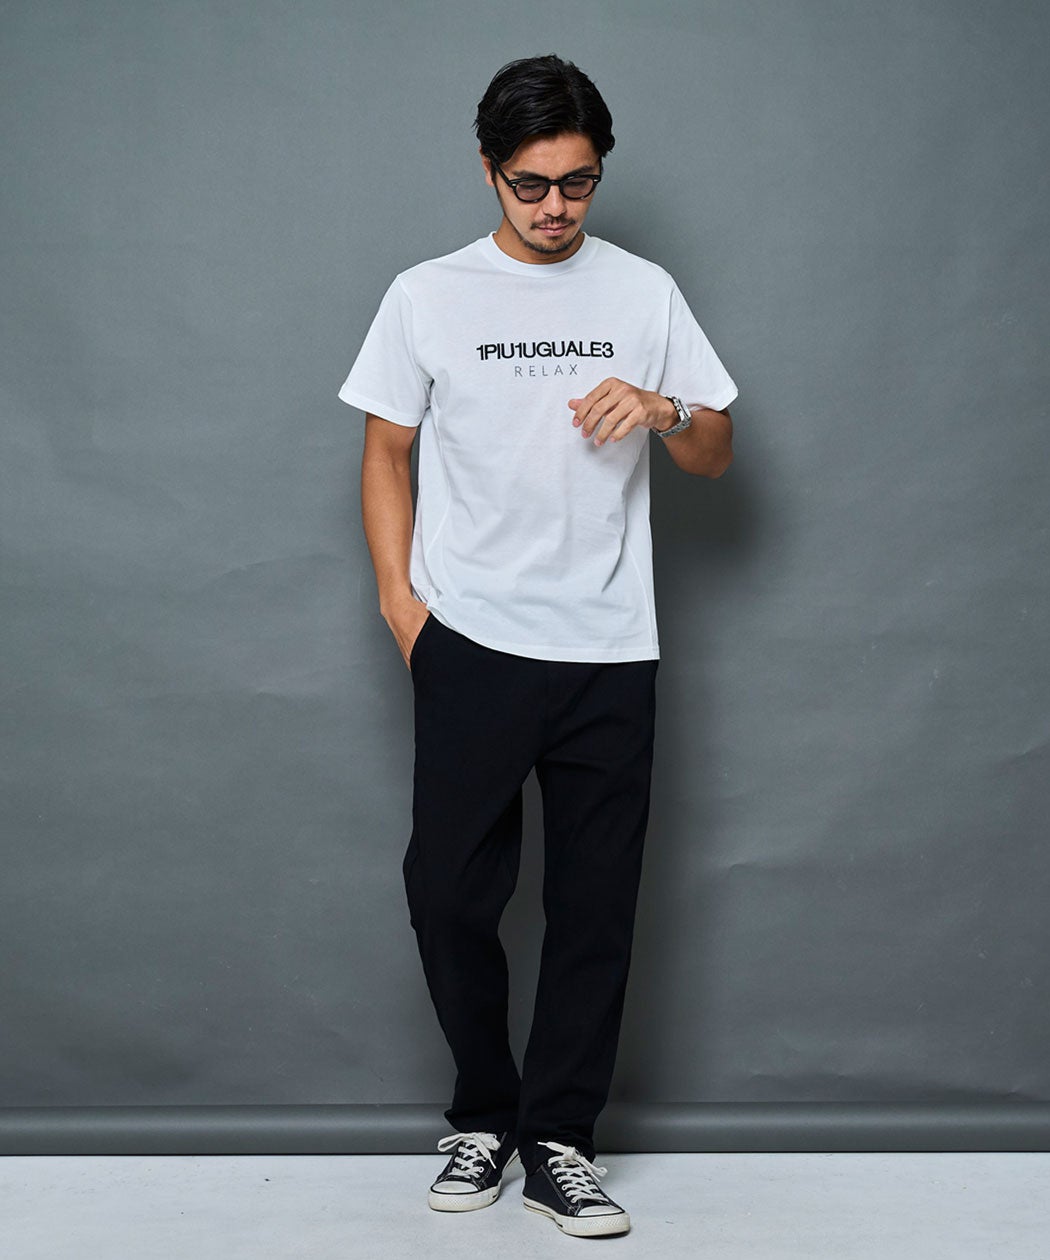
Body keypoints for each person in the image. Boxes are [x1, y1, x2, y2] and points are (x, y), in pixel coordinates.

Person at [337, 53, 737, 1238]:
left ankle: (561, 1139)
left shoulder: (643, 291)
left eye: (578, 183)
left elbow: (716, 451)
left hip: (611, 643)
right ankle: (483, 1113)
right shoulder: (428, 295)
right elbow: (386, 455)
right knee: (449, 894)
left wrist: (664, 409)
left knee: (594, 905)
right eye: (531, 185)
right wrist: (402, 607)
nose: (556, 207)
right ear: (488, 172)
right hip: (469, 636)